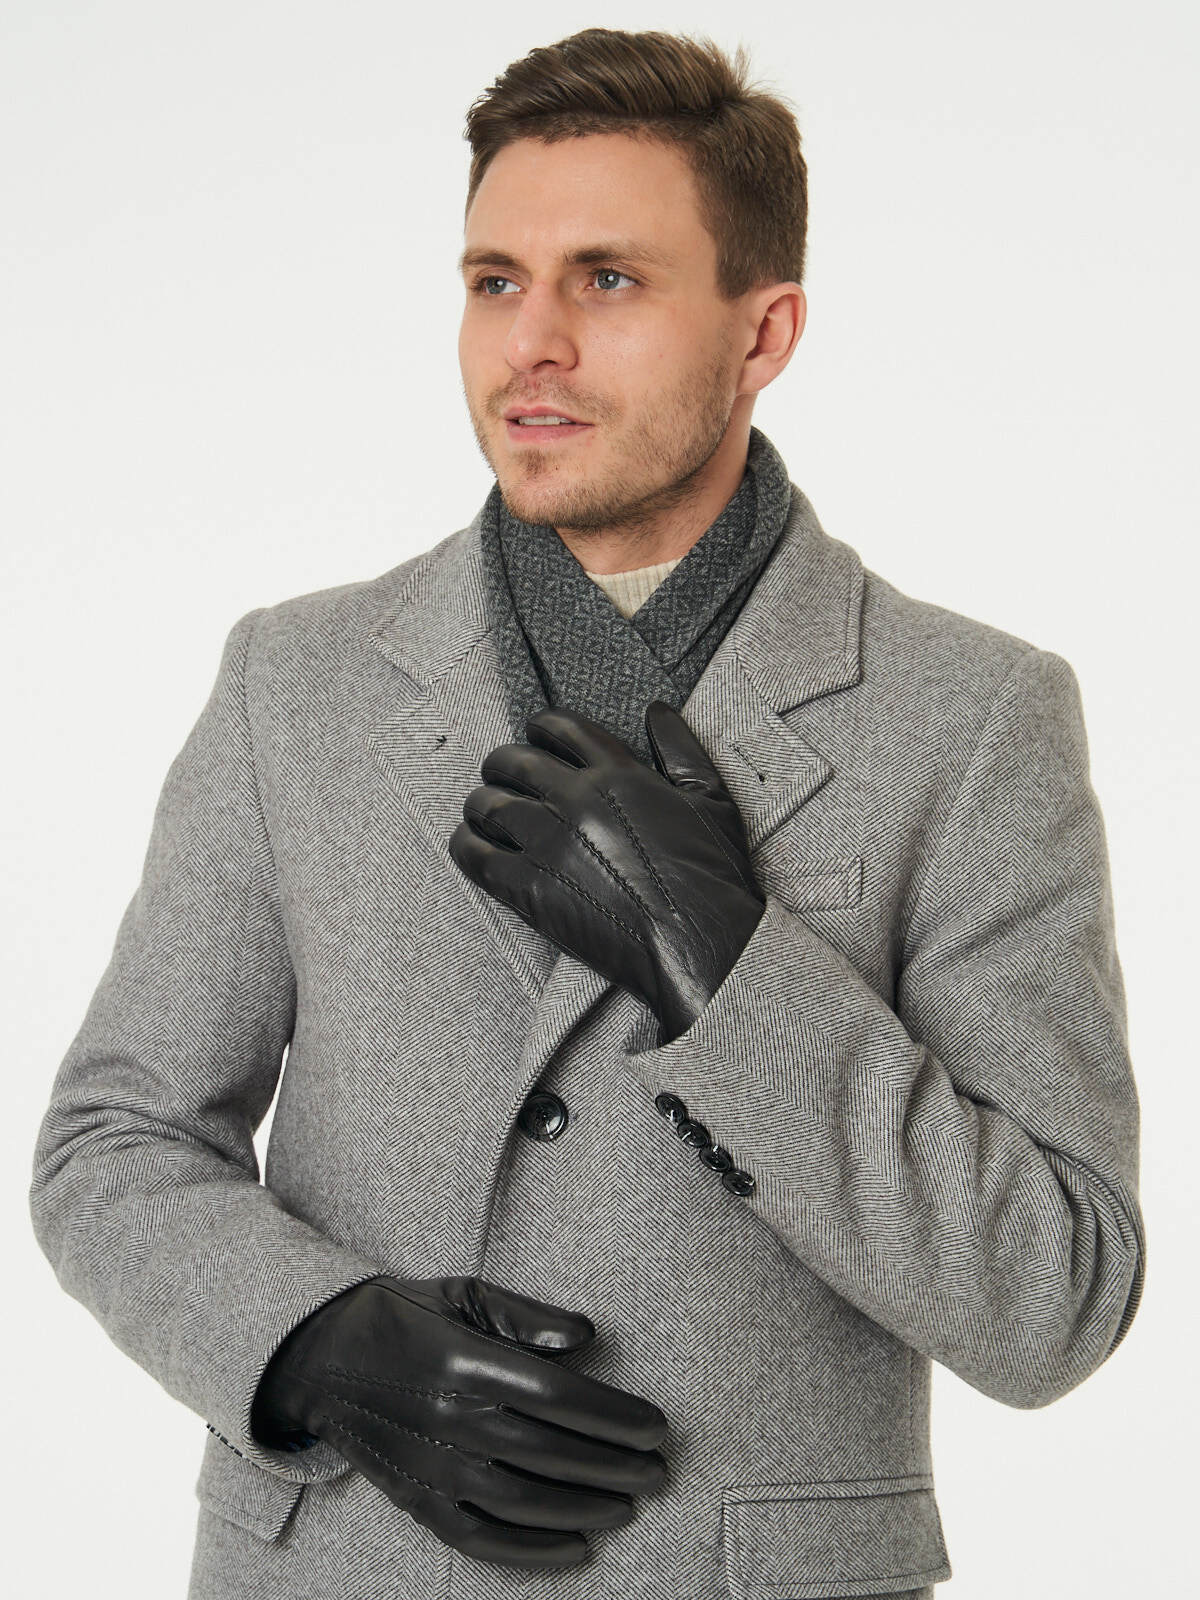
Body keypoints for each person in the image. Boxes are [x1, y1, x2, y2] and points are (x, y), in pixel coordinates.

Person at [29, 25, 1145, 1600]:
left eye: (607, 280)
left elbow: (1054, 1303)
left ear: (764, 332)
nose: (531, 344)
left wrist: (727, 965)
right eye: (496, 281)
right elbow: (112, 1144)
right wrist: (317, 1345)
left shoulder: (970, 718)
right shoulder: (295, 682)